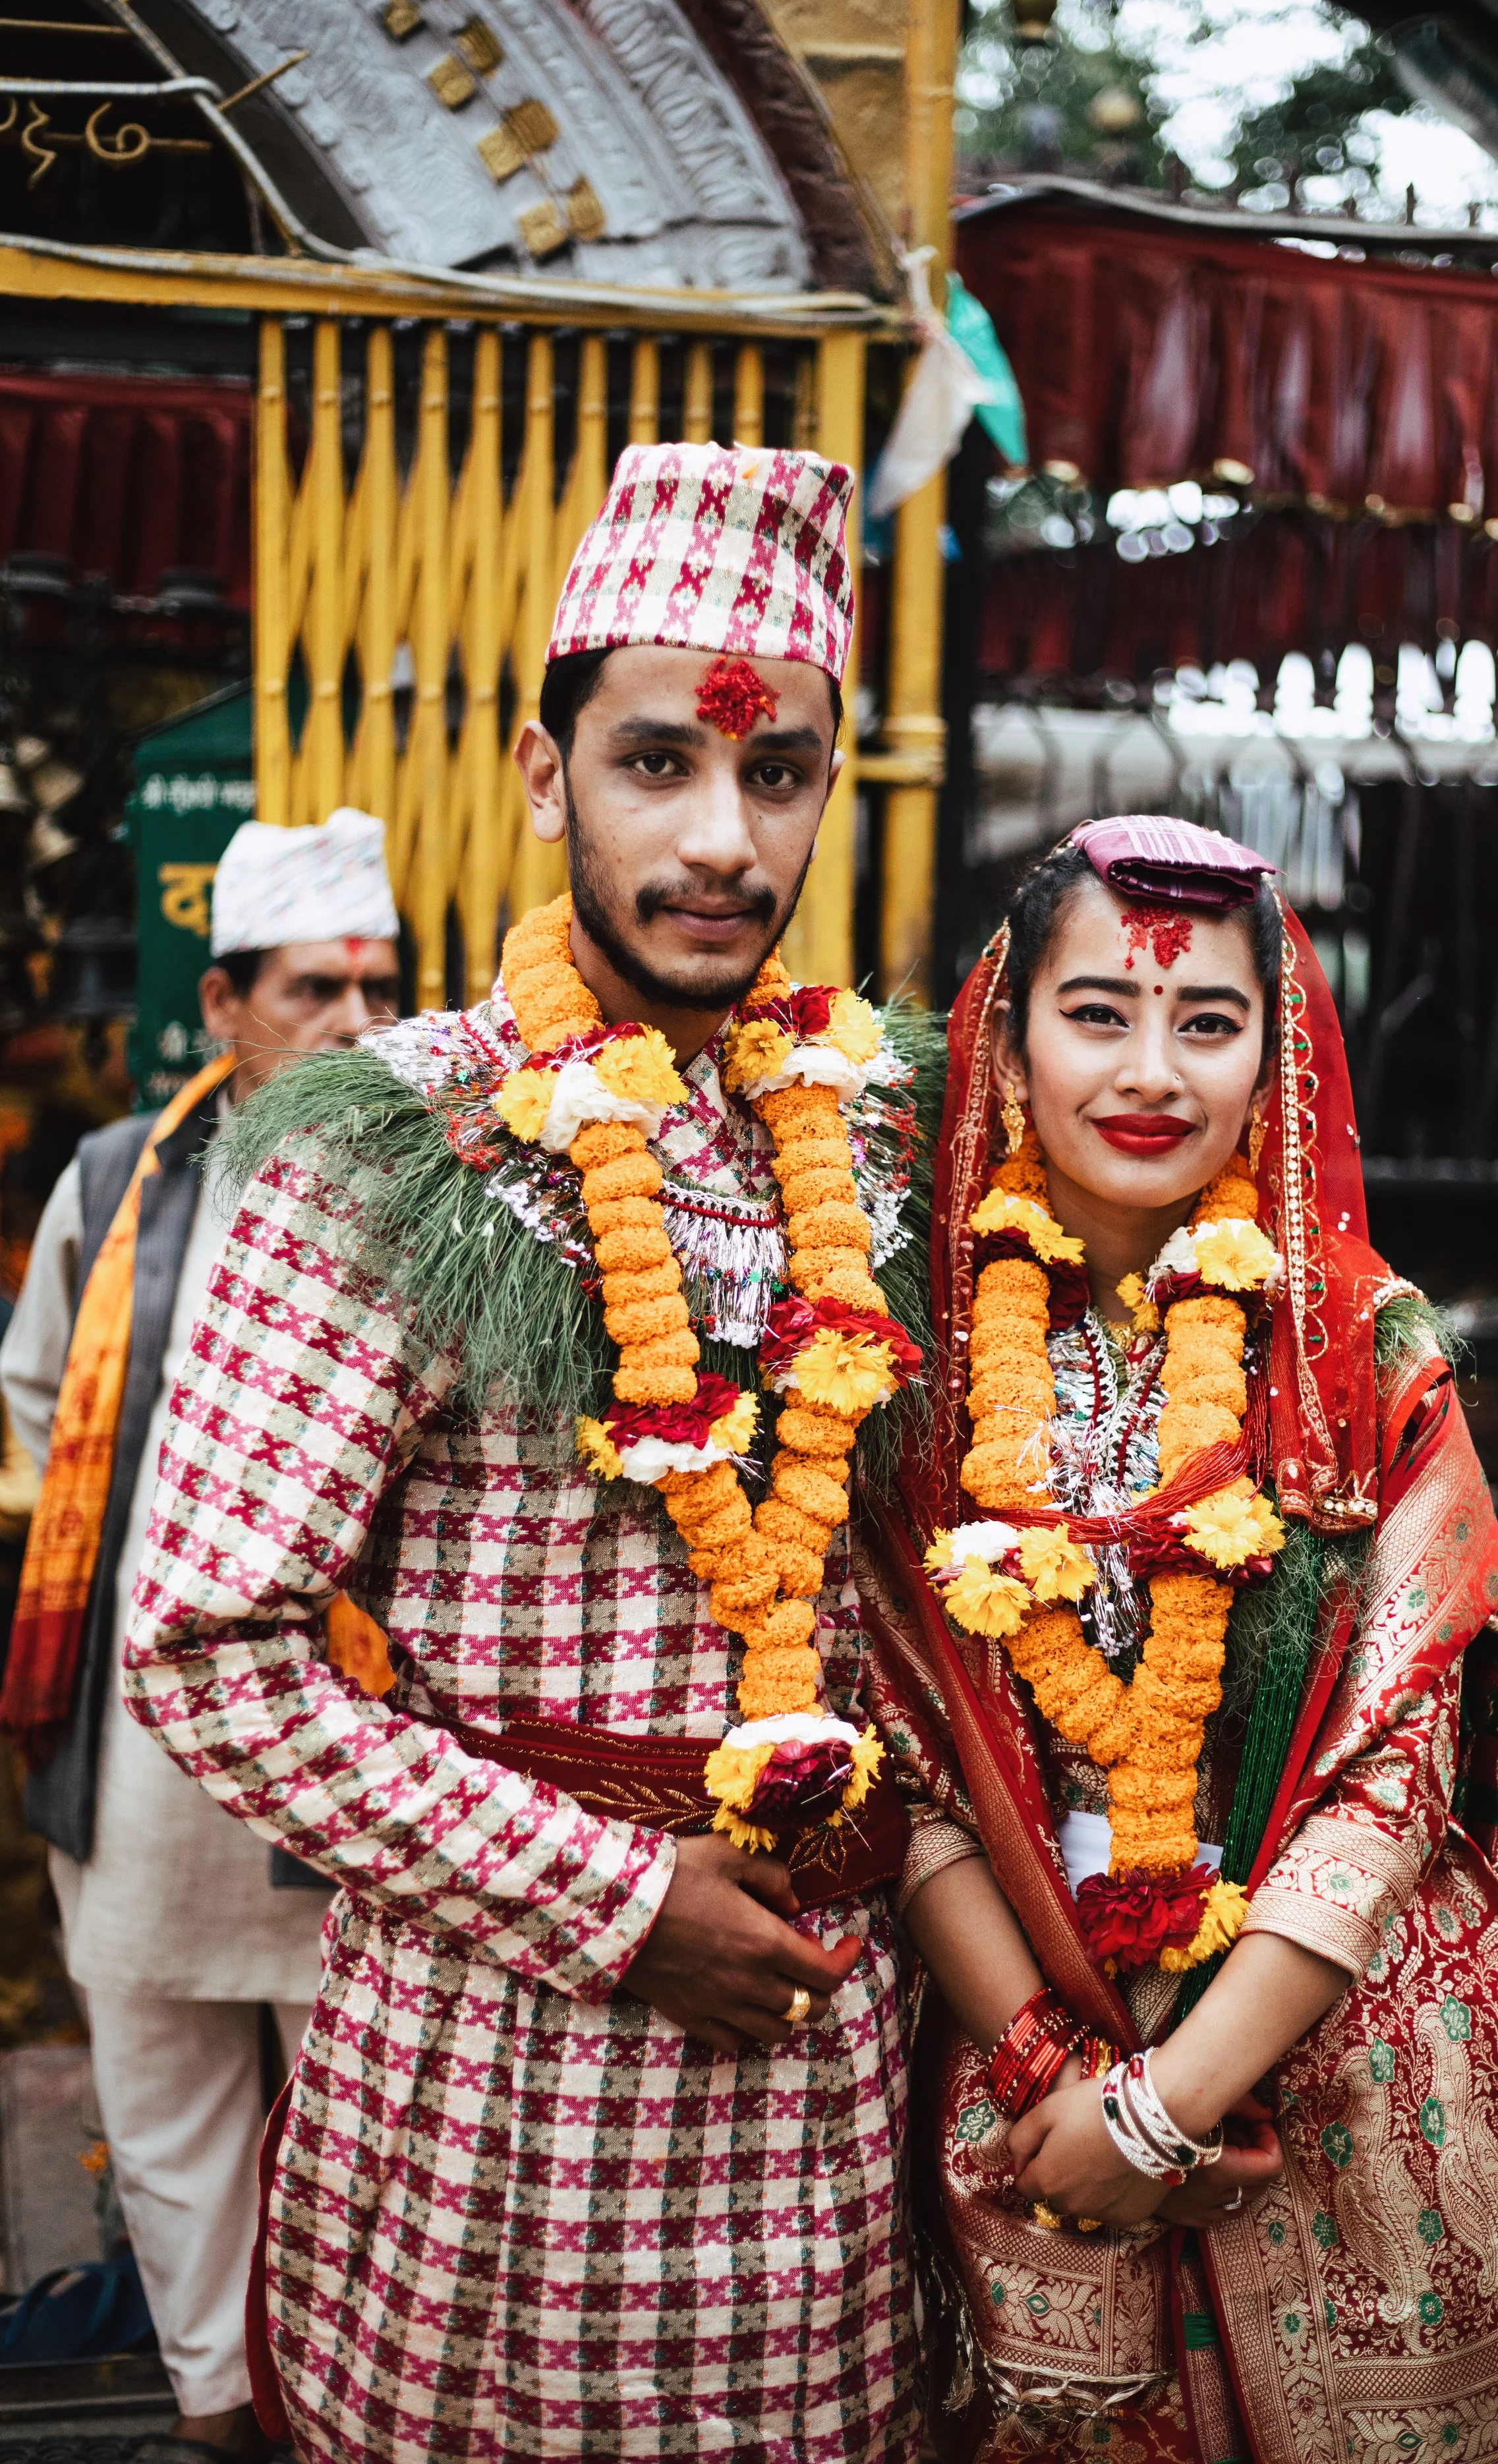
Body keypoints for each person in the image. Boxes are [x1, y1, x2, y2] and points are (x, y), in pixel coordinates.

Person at [121, 444, 935, 2462]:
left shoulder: (885, 1129)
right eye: (656, 761)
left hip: (834, 2098)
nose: (722, 838)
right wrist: (606, 1896)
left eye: (777, 773)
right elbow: (207, 1644)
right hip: (509, 2074)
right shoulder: (392, 1138)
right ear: (540, 764)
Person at [865, 815, 1498, 2464]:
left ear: (1268, 1055)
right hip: (1022, 2066)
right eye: (1097, 1012)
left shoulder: (1366, 1358)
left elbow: (1398, 1754)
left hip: (1328, 2053)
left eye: (1204, 1021)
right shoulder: (905, 1373)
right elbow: (900, 1746)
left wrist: (1164, 2102)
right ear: (1003, 1044)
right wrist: (1043, 2074)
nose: (1150, 1069)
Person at [0, 808, 401, 2460]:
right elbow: (34, 1399)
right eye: (318, 992)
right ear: (227, 1005)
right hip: (144, 1736)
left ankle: (350, 2403)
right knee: (164, 2095)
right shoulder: (117, 1177)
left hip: (359, 1717)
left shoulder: (435, 1183)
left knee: (358, 2101)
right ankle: (214, 2410)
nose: (361, 1028)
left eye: (381, 988)